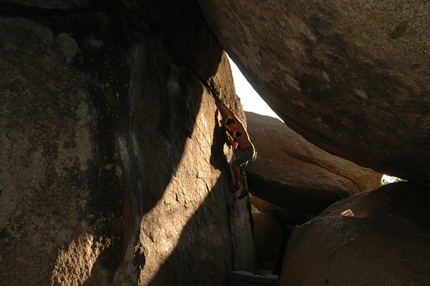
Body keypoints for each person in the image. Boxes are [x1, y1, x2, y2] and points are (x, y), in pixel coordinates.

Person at [218, 100, 255, 199]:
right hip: (245, 152)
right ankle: (245, 190)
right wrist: (229, 137)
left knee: (234, 164)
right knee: (242, 171)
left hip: (249, 150)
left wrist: (224, 106)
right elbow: (234, 146)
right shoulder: (235, 134)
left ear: (232, 124)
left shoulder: (239, 127)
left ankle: (236, 184)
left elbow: (232, 115)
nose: (229, 129)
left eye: (229, 127)